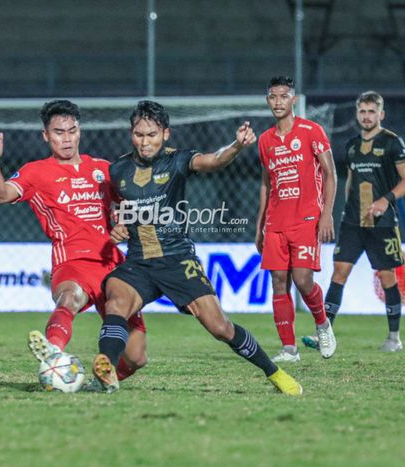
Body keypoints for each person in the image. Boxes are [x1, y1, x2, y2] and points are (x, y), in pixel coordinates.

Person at [90, 100, 302, 395]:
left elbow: (213, 160)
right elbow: (119, 207)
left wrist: (237, 146)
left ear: (166, 134)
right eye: (139, 134)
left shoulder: (177, 160)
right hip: (138, 261)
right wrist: (119, 225)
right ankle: (105, 368)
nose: (145, 141)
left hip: (177, 260)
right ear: (131, 134)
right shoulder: (119, 170)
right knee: (116, 302)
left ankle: (275, 372)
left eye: (151, 134)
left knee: (220, 328)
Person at [0, 100, 147, 383]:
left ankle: (99, 380)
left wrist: (122, 223)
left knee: (137, 356)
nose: (66, 138)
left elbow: (128, 208)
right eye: (58, 132)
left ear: (79, 132)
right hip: (72, 260)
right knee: (69, 298)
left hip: (112, 264)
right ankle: (53, 354)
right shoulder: (36, 171)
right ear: (46, 136)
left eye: (71, 131)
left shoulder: (103, 169)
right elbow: (1, 195)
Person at [303, 91, 405, 352]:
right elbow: (350, 181)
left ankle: (394, 337)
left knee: (387, 277)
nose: (366, 116)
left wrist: (386, 199)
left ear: (381, 115)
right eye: (362, 112)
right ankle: (324, 335)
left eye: (371, 112)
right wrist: (343, 210)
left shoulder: (392, 142)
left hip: (383, 223)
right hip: (352, 223)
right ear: (357, 114)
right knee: (339, 274)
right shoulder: (351, 145)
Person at [256, 76, 337, 362]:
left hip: (305, 219)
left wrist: (326, 214)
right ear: (268, 100)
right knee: (279, 282)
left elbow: (330, 173)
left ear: (293, 99)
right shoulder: (265, 140)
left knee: (303, 281)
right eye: (273, 97)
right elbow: (266, 183)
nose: (278, 102)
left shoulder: (311, 131)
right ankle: (289, 348)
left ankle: (323, 324)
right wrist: (259, 226)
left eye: (283, 96)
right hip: (276, 222)